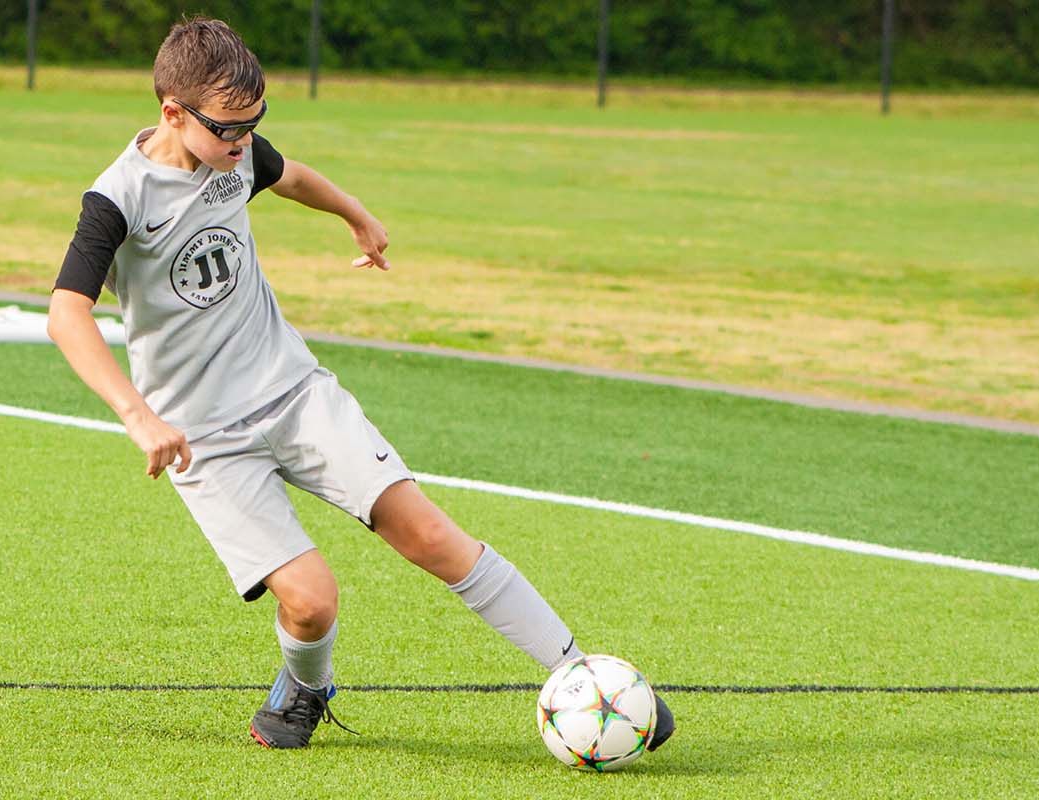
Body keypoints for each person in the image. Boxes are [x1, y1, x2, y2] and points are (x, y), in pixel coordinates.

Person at [47, 16, 674, 751]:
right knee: (312, 602)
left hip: (295, 393)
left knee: (431, 535)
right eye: (229, 129)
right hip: (204, 438)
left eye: (255, 123)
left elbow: (291, 175)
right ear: (172, 113)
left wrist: (355, 214)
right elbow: (66, 314)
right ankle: (306, 687)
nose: (244, 142)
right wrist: (138, 416)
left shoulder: (236, 155)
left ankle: (583, 675)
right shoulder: (116, 199)